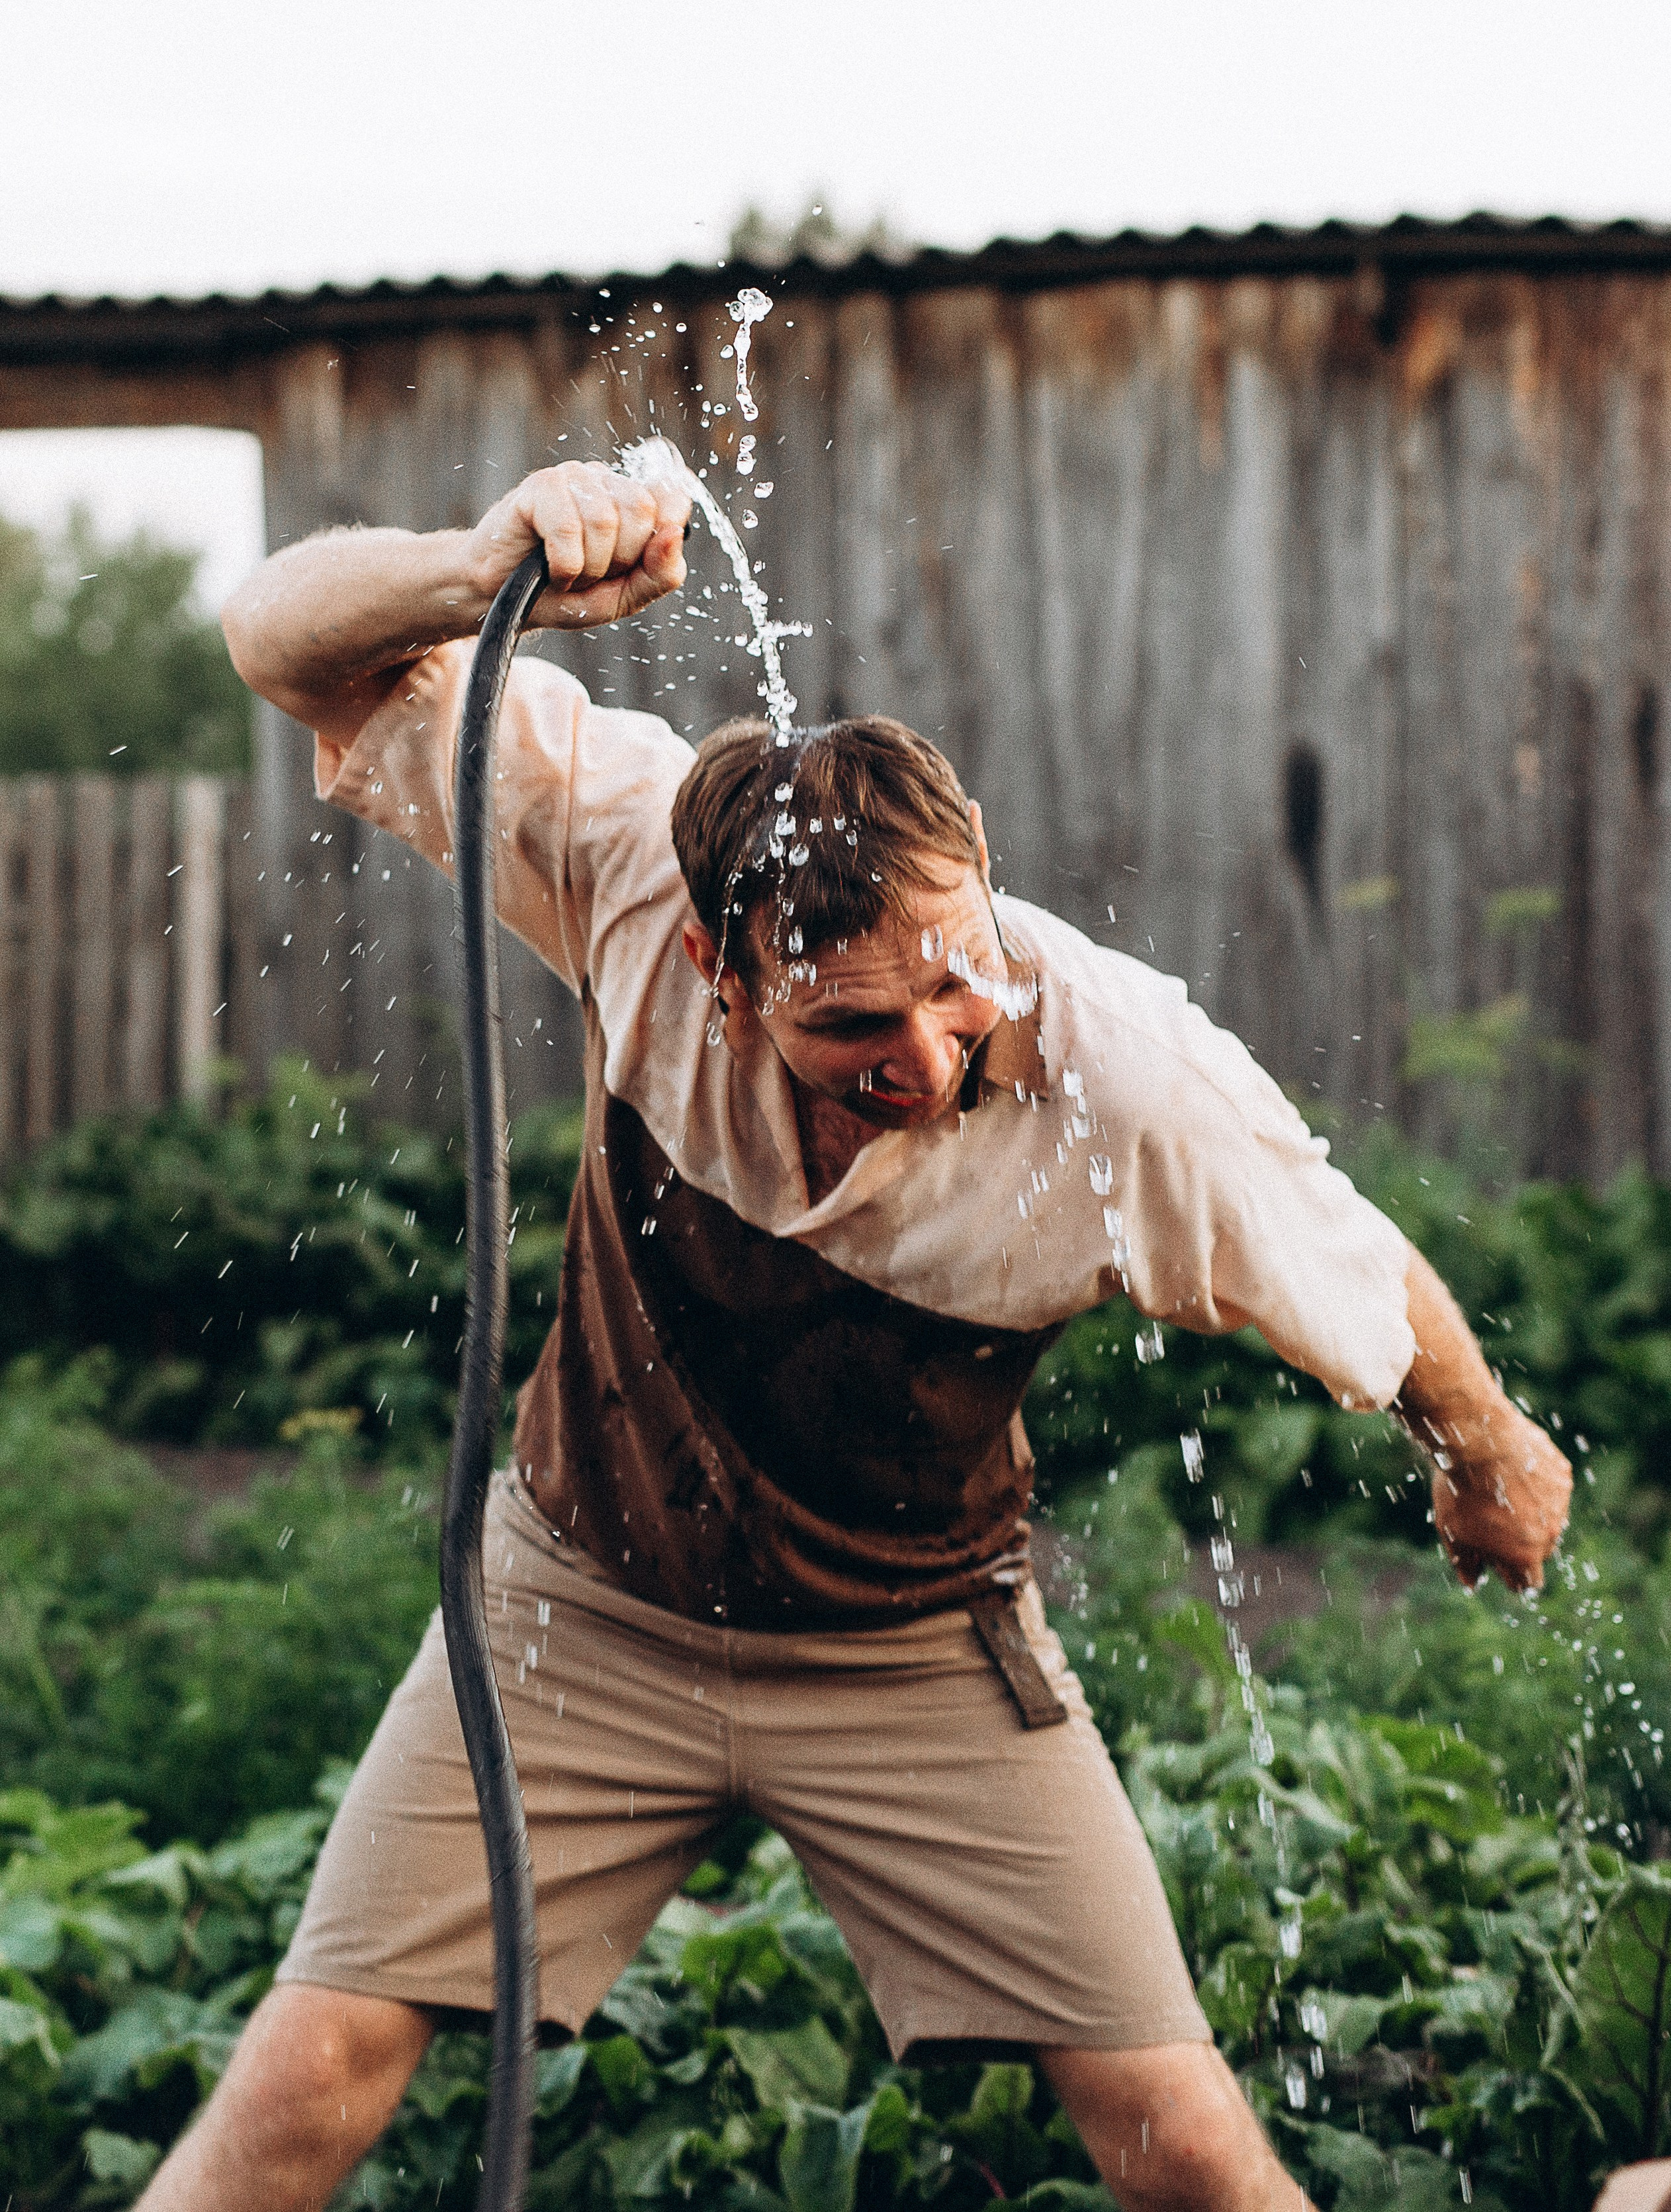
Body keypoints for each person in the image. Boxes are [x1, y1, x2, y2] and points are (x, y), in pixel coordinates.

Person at [142, 460, 1572, 2212]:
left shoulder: (1124, 1083)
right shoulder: (624, 860)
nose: (938, 1048)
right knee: (305, 2080)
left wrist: (1488, 1449)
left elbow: (1353, 1266)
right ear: (729, 972)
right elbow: (279, 643)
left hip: (913, 1645)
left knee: (1183, 2138)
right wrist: (472, 564)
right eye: (858, 1022)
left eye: (959, 975)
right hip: (578, 1598)